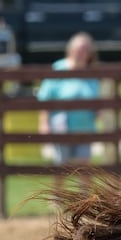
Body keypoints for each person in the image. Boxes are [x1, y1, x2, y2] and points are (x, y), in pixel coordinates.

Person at [37, 32, 100, 169]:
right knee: (62, 167)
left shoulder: (92, 74)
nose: (80, 53)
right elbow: (45, 97)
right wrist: (44, 123)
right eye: (78, 50)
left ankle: (84, 192)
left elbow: (97, 99)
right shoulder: (59, 69)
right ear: (70, 50)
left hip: (85, 127)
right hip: (62, 126)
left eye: (84, 50)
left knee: (84, 168)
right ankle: (57, 192)